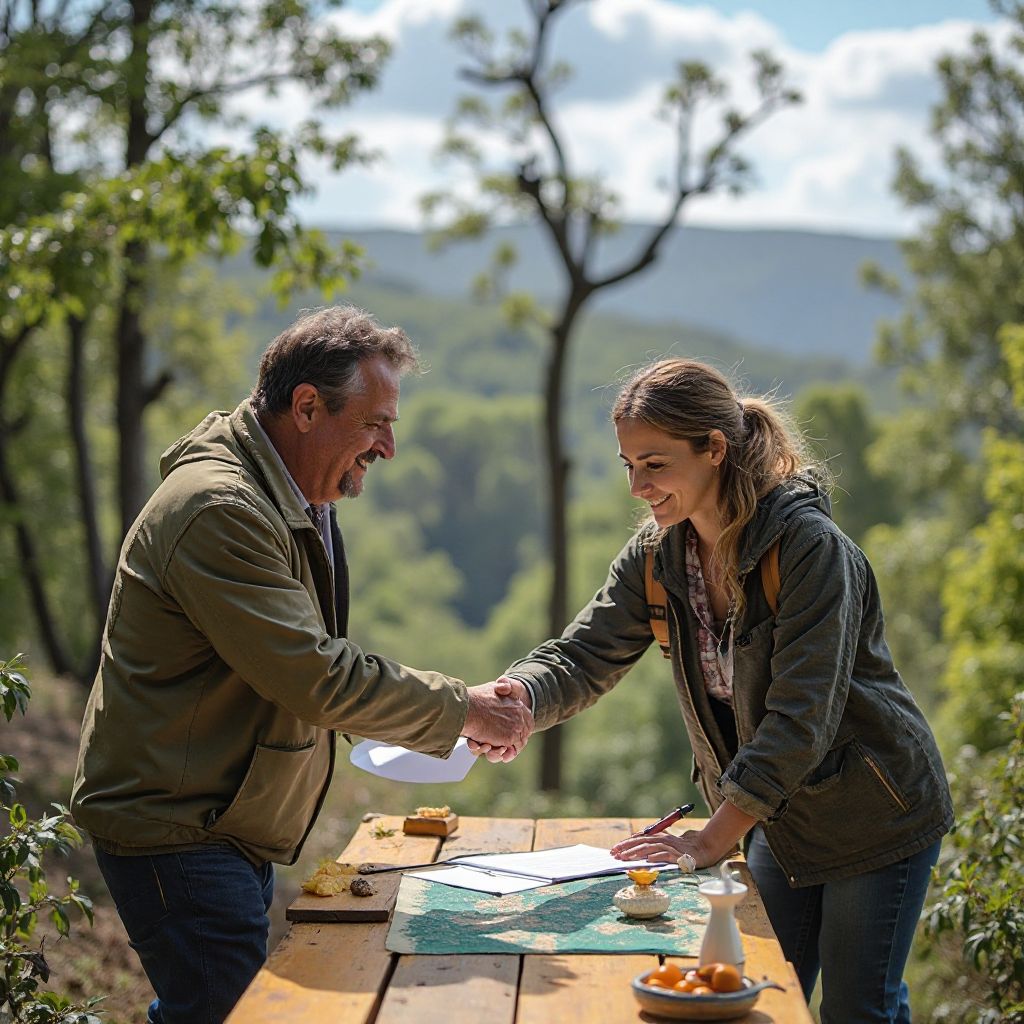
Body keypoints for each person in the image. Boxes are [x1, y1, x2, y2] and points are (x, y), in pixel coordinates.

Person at [71, 305, 532, 1024]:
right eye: (375, 424)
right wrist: (463, 708)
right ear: (308, 407)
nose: (387, 449)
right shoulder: (220, 511)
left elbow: (305, 669)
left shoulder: (290, 495)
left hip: (219, 823)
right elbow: (315, 675)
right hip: (177, 831)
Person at [475, 358, 952, 1023]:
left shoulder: (812, 550)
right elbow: (585, 655)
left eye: (656, 464)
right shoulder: (656, 555)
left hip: (873, 811)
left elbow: (797, 722)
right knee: (745, 995)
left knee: (858, 1010)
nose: (638, 487)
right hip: (775, 821)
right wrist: (515, 698)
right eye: (628, 466)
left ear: (715, 450)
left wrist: (708, 839)